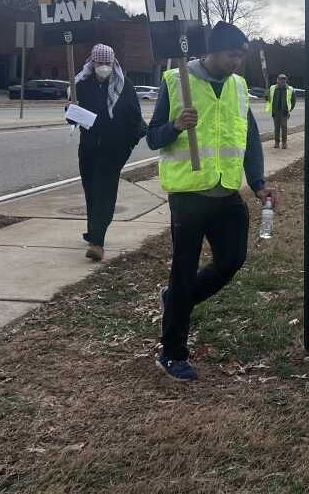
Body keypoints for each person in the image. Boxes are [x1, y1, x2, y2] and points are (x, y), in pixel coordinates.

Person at [147, 21, 277, 381]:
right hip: (188, 195)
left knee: (232, 259)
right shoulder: (177, 82)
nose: (238, 62)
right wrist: (174, 126)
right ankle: (172, 353)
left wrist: (259, 183)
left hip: (226, 194)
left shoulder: (237, 87)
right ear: (214, 51)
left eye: (242, 55)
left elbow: (249, 138)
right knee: (184, 270)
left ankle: (175, 298)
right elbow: (151, 138)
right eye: (234, 54)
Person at [69, 44, 146, 262]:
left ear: (114, 63)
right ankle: (93, 229)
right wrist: (71, 114)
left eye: (107, 63)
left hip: (115, 148)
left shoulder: (124, 86)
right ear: (91, 63)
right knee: (91, 189)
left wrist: (128, 143)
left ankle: (97, 242)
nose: (103, 67)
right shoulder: (81, 86)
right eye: (99, 63)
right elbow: (73, 115)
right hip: (89, 147)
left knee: (104, 191)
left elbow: (135, 118)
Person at [265, 73, 296, 149]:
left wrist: (289, 109)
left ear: (286, 80)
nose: (282, 81)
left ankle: (284, 143)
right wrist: (266, 95)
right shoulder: (272, 88)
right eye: (281, 79)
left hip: (284, 112)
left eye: (284, 79)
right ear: (277, 80)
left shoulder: (290, 89)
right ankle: (276, 142)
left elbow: (293, 101)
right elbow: (268, 98)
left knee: (284, 127)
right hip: (275, 112)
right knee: (276, 128)